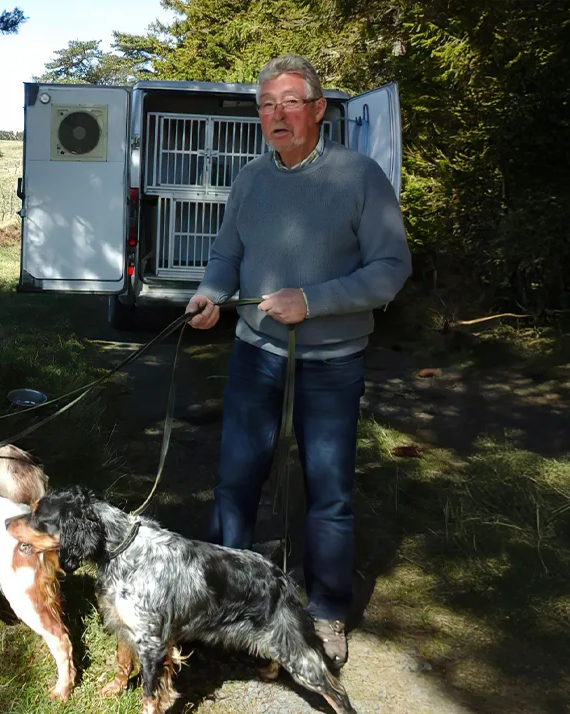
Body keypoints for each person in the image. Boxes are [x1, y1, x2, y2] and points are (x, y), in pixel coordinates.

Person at [186, 54, 411, 668]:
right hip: (254, 352)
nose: (276, 114)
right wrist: (210, 295)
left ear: (318, 109)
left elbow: (392, 269)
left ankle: (327, 610)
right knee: (236, 478)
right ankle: (220, 598)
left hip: (333, 363)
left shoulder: (359, 176)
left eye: (289, 102)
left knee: (328, 488)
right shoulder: (250, 178)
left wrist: (310, 302)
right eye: (266, 105)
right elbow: (226, 254)